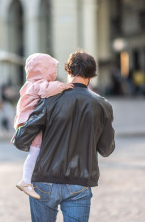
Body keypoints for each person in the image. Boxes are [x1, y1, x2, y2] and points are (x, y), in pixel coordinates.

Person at [12, 50, 115, 222]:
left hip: (44, 180)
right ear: (92, 75)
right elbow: (106, 149)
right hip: (80, 181)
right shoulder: (102, 105)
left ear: (68, 71)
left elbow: (21, 139)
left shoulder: (48, 99)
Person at [13, 53, 73, 199]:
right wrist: (63, 86)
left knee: (35, 151)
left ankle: (26, 180)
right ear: (44, 69)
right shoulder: (38, 84)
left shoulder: (28, 84)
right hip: (32, 123)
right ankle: (25, 181)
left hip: (27, 121)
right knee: (35, 151)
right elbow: (47, 89)